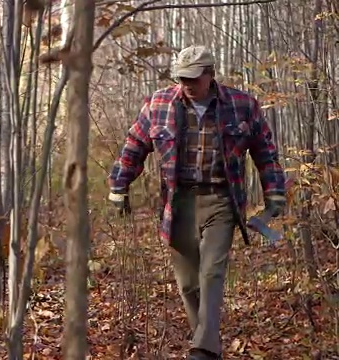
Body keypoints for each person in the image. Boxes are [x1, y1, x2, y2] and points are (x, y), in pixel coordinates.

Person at [107, 45, 286, 360]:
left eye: (193, 77)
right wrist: (119, 185)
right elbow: (135, 144)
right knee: (188, 284)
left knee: (211, 272)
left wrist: (274, 191)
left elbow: (265, 149)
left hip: (221, 200)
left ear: (210, 74)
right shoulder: (159, 104)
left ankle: (202, 350)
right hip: (179, 203)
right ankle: (207, 344)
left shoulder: (242, 105)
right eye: (181, 77)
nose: (186, 84)